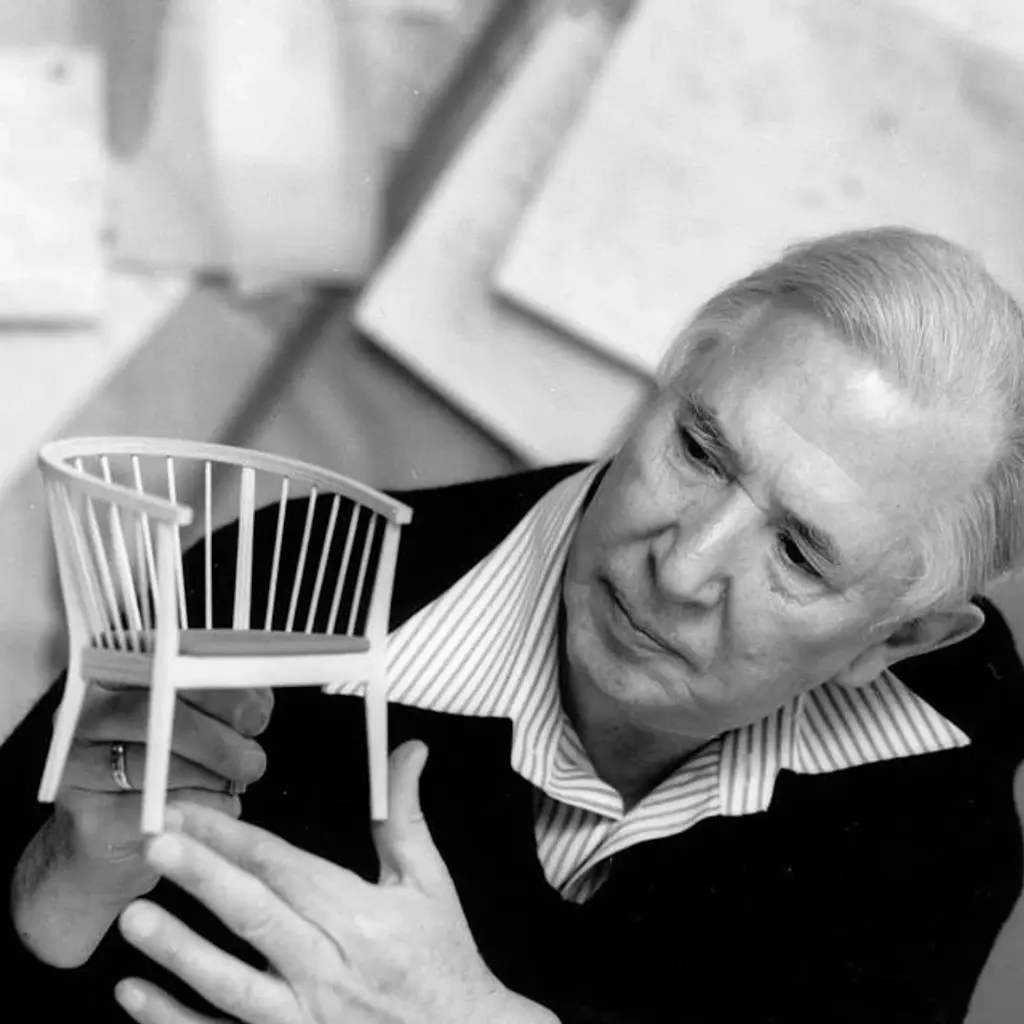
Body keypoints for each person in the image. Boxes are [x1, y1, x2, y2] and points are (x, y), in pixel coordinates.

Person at [4, 226, 1024, 1023]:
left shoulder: (939, 772)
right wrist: (59, 888)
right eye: (699, 449)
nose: (680, 567)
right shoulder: (272, 587)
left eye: (796, 553)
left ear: (895, 641)